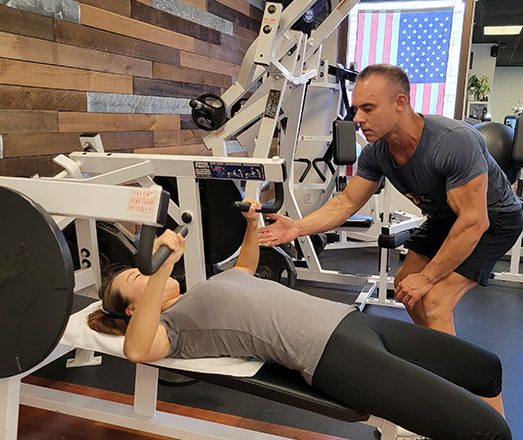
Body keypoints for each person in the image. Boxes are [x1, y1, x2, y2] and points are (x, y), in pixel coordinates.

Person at [88, 200, 511, 440]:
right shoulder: (173, 327)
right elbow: (138, 349)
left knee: (487, 369)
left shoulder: (203, 288)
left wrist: (251, 225)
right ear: (133, 310)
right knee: (490, 432)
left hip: (354, 322)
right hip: (333, 356)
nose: (147, 274)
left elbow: (245, 268)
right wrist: (162, 266)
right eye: (137, 278)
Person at [259, 63, 522, 337]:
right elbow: (346, 202)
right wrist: (298, 227)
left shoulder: (453, 142)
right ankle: (434, 350)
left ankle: (445, 365)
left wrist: (427, 277)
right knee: (405, 285)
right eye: (356, 109)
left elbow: (474, 222)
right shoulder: (376, 153)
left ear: (400, 102)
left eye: (368, 108)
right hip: (445, 217)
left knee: (435, 301)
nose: (357, 118)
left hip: (494, 220)